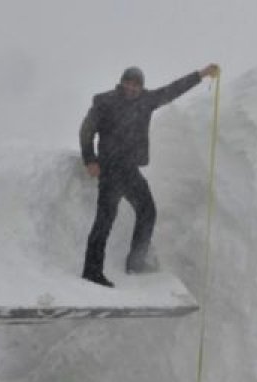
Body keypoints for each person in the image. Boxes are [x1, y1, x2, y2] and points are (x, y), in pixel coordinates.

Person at [79, 63, 220, 287]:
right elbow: (86, 130)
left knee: (147, 211)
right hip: (110, 168)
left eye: (137, 85)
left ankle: (136, 262)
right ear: (122, 82)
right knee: (105, 220)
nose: (132, 88)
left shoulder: (146, 101)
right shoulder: (105, 101)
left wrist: (201, 74)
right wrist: (90, 160)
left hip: (129, 170)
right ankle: (91, 270)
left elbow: (174, 89)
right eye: (129, 82)